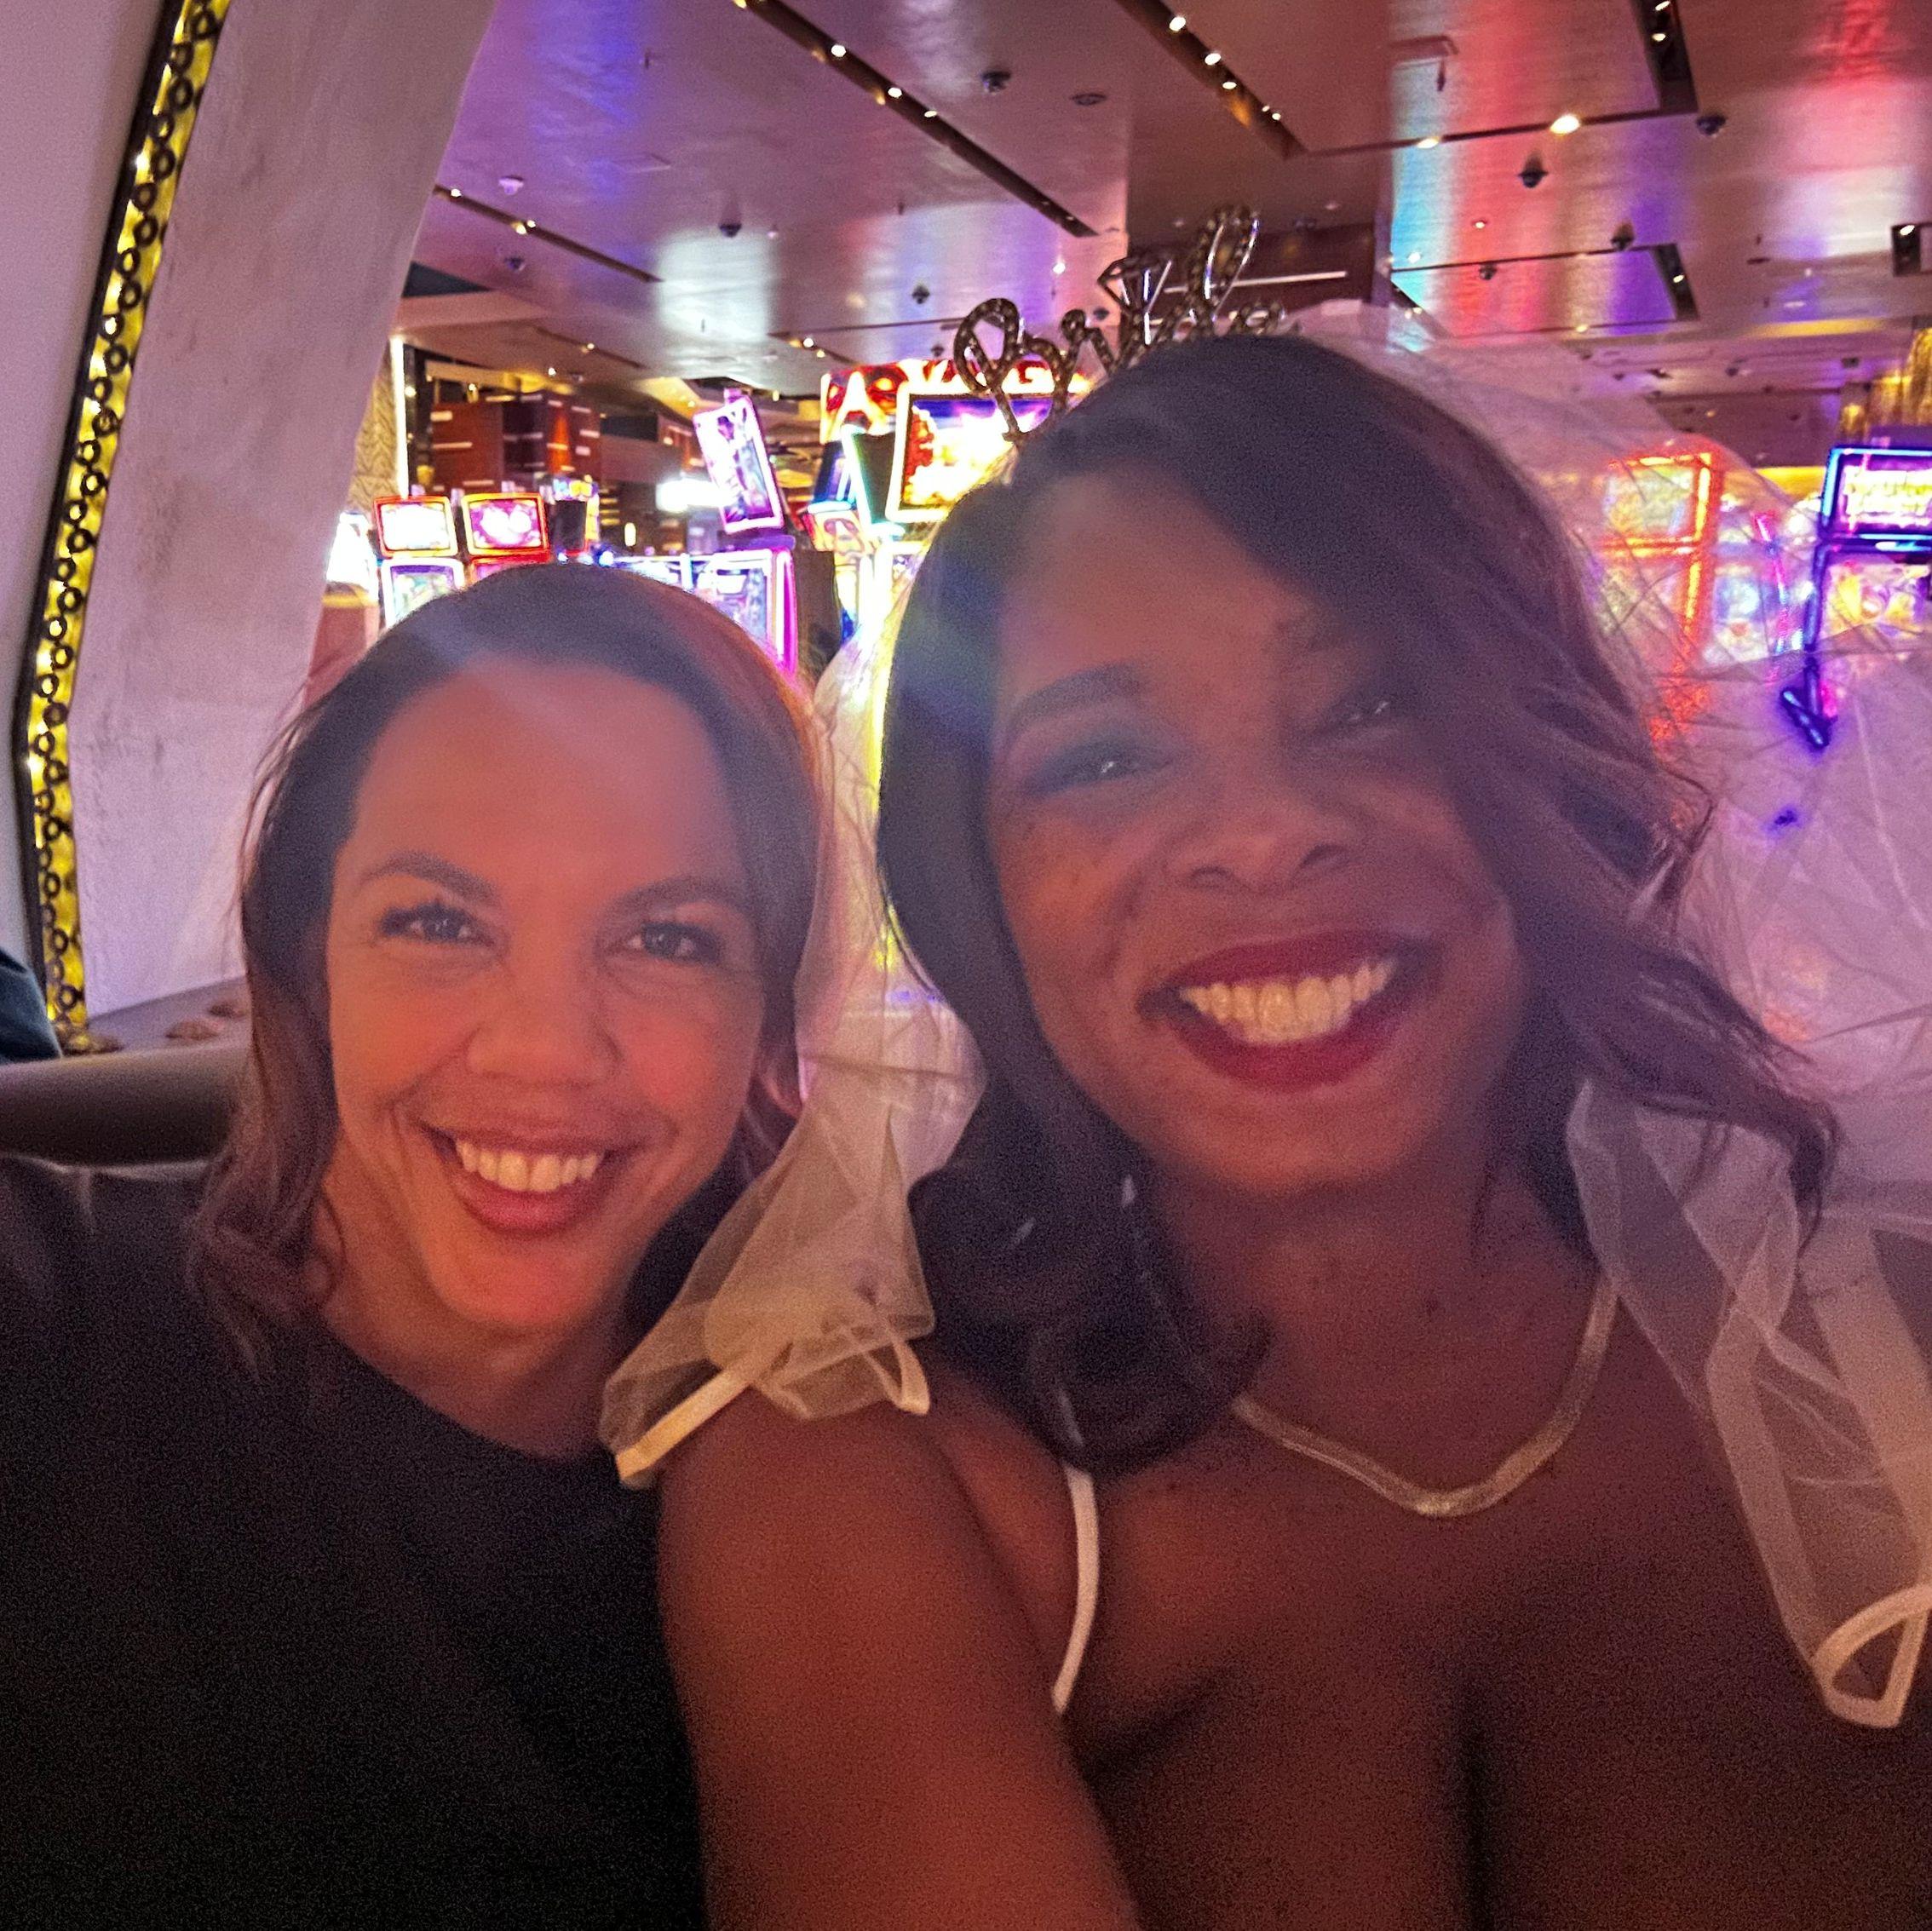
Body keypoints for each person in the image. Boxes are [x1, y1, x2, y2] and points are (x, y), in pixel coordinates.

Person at [635, 336, 1932, 1928]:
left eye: (1370, 704)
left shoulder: (1884, 1333)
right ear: (978, 891)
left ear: (1547, 758)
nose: (1259, 834)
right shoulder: (874, 1473)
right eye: (1103, 758)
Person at [1, 563, 819, 1928]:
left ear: (770, 1016)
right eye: (439, 922)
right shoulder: (50, 1331)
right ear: (303, 960)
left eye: (670, 938)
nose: (545, 1051)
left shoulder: (833, 1495)